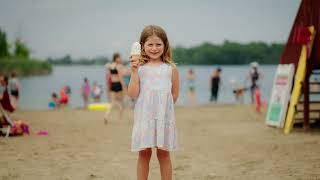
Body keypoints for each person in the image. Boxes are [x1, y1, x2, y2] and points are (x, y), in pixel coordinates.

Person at [128, 25, 179, 180]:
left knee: (164, 154)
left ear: (165, 45)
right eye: (150, 44)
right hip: (144, 118)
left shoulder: (171, 68)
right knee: (144, 154)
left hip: (164, 118)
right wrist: (134, 71)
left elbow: (174, 94)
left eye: (158, 44)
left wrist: (163, 112)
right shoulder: (140, 69)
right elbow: (132, 94)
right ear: (142, 46)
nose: (154, 48)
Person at [104, 53, 126, 123]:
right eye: (119, 57)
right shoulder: (119, 66)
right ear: (116, 58)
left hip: (112, 84)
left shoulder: (110, 66)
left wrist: (108, 86)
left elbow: (108, 77)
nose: (120, 59)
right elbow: (120, 78)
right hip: (118, 84)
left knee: (113, 102)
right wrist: (124, 87)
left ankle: (106, 115)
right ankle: (120, 119)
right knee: (121, 102)